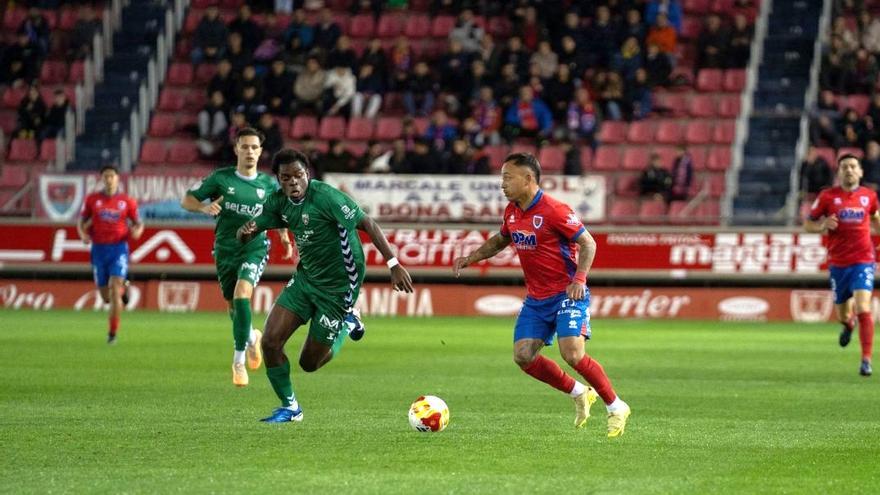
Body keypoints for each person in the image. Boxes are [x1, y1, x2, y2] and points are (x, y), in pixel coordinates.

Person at [452, 153, 631, 437]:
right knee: (523, 356)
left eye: (507, 178)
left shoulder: (554, 210)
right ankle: (578, 392)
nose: (502, 184)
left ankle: (616, 406)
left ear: (528, 179)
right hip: (537, 299)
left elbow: (588, 243)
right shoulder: (512, 211)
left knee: (572, 353)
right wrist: (471, 258)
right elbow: (501, 239)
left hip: (567, 294)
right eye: (502, 178)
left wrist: (579, 279)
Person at [237, 149, 414, 423]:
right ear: (279, 181)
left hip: (339, 285)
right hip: (306, 279)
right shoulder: (278, 202)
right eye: (286, 178)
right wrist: (246, 231)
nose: (293, 182)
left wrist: (393, 264)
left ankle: (348, 321)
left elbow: (367, 222)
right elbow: (256, 225)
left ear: (307, 174)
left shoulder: (326, 197)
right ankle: (290, 407)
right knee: (271, 341)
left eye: (298, 175)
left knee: (309, 363)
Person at [181, 127, 294, 387]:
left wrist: (284, 237)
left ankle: (238, 361)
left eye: (255, 147)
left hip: (254, 247)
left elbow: (276, 214)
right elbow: (187, 200)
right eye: (245, 147)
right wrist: (202, 206)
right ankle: (253, 338)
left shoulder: (267, 184)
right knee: (233, 307)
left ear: (261, 151)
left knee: (243, 294)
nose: (250, 152)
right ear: (236, 149)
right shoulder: (221, 179)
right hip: (224, 250)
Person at [805, 154, 877, 377]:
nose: (849, 170)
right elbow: (808, 223)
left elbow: (876, 219)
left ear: (861, 172)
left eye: (853, 166)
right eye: (844, 167)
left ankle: (866, 360)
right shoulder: (827, 197)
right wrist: (822, 225)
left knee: (864, 307)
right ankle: (848, 325)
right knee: (843, 315)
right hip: (838, 263)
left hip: (864, 260)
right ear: (838, 172)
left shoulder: (870, 196)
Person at [77, 166, 144, 344]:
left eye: (112, 176)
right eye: (105, 176)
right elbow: (82, 222)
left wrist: (137, 231)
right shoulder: (92, 200)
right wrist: (83, 234)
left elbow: (138, 223)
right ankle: (125, 285)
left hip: (118, 249)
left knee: (114, 289)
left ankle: (112, 334)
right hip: (98, 250)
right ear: (101, 179)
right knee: (106, 298)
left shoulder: (127, 201)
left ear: (117, 179)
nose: (109, 179)